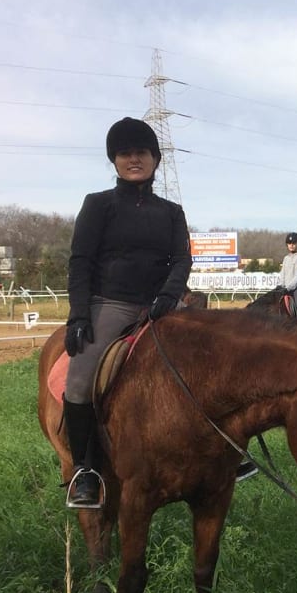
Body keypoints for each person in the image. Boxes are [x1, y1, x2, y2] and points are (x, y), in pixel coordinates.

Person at [63, 117, 192, 509]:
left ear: (155, 158)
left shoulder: (171, 211)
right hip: (112, 304)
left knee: (212, 364)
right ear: (114, 160)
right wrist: (79, 315)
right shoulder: (98, 204)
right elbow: (80, 261)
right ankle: (85, 469)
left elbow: (182, 260)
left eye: (142, 152)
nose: (134, 159)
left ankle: (222, 455)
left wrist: (169, 297)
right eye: (125, 153)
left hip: (163, 305)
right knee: (80, 380)